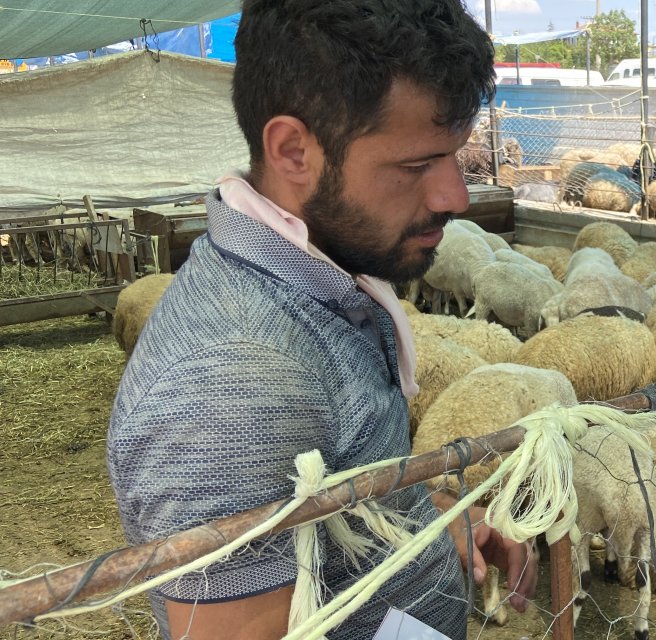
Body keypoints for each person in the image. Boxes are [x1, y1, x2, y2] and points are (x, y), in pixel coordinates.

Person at [106, 1, 535, 639]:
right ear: (293, 151)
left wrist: (423, 522)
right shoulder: (236, 380)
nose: (456, 197)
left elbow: (327, 507)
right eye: (416, 165)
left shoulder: (321, 288)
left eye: (454, 156)